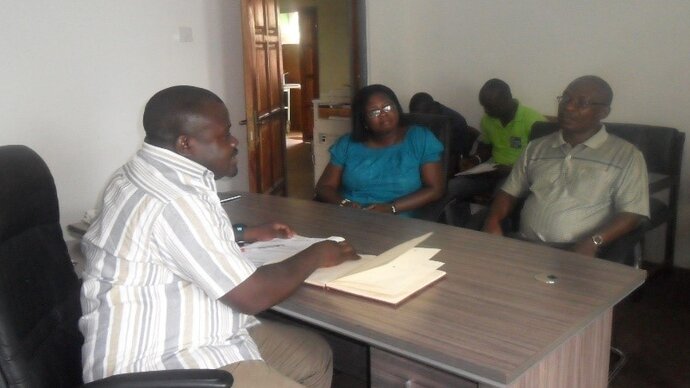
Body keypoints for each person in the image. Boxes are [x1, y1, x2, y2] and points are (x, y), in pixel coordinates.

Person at [79, 85, 360, 387]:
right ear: (186, 143)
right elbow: (252, 295)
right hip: (160, 365)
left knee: (313, 355)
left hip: (199, 329)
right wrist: (317, 253)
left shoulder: (140, 172)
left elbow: (173, 239)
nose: (235, 141)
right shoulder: (177, 200)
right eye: (224, 134)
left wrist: (243, 232)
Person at [482, 76, 649, 263]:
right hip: (524, 246)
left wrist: (594, 242)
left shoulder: (626, 155)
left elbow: (632, 212)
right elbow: (509, 192)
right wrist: (493, 220)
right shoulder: (536, 148)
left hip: (580, 252)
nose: (568, 107)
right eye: (566, 99)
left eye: (582, 103)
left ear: (604, 112)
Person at [315, 84, 445, 218]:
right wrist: (345, 204)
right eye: (374, 112)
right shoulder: (347, 144)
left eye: (387, 107)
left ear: (397, 108)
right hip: (351, 217)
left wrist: (392, 208)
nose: (383, 114)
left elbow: (435, 189)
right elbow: (324, 187)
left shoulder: (420, 138)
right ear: (363, 120)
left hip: (400, 220)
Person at [445, 79, 545, 228]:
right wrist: (475, 160)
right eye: (484, 106)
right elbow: (486, 146)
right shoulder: (488, 120)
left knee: (500, 197)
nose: (486, 111)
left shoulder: (533, 121)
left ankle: (484, 230)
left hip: (518, 175)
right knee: (452, 186)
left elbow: (543, 161)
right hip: (491, 170)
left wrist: (512, 170)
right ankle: (459, 228)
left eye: (490, 107)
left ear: (507, 99)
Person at [409, 92, 476, 160]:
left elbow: (448, 155)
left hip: (451, 160)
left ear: (431, 110)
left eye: (420, 118)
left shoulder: (454, 123)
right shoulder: (428, 112)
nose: (419, 121)